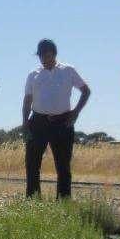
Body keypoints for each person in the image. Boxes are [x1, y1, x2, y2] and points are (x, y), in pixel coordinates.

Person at [22, 39, 91, 199]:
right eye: (40, 55)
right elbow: (27, 100)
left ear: (53, 53)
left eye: (45, 54)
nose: (42, 58)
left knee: (63, 166)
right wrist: (25, 123)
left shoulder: (68, 70)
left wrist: (76, 112)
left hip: (63, 122)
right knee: (32, 164)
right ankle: (33, 201)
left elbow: (86, 91)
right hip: (38, 122)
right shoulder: (33, 75)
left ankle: (63, 201)